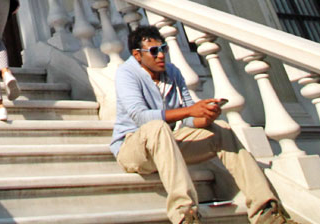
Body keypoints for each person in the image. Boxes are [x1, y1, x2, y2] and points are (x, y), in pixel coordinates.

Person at [111, 25, 295, 224]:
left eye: (163, 49)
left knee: (222, 130)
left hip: (166, 145)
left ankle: (266, 212)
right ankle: (185, 215)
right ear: (137, 55)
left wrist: (206, 114)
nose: (161, 56)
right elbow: (141, 117)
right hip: (132, 149)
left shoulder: (173, 72)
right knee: (158, 127)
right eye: (154, 51)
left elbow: (190, 117)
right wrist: (190, 111)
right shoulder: (127, 73)